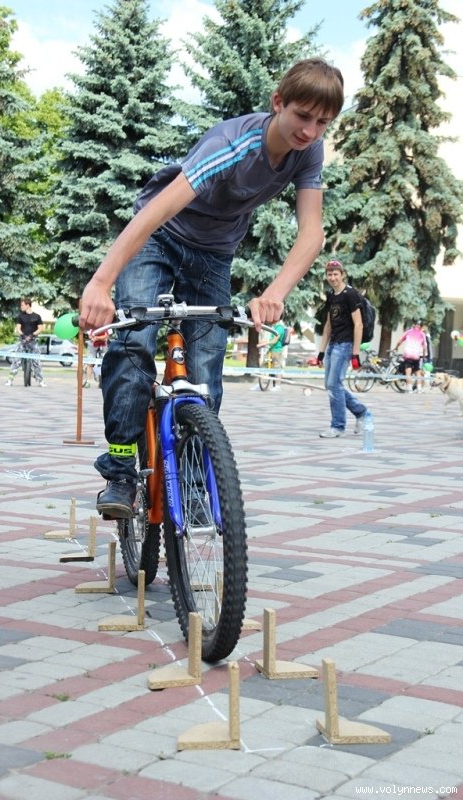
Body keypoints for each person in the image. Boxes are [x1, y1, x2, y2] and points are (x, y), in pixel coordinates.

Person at [79, 58, 345, 518]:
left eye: (323, 122)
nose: (310, 131)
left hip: (214, 254)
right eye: (302, 116)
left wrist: (275, 293)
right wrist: (101, 283)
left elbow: (312, 232)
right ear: (278, 103)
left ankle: (193, 483)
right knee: (134, 342)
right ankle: (121, 471)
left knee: (205, 366)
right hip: (159, 238)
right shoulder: (234, 144)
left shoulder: (309, 151)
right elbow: (157, 212)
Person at [317, 259, 368, 438]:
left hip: (345, 345)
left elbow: (358, 324)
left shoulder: (350, 294)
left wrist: (355, 353)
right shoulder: (332, 295)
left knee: (334, 385)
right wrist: (321, 351)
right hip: (333, 345)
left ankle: (338, 426)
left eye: (335, 274)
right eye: (329, 274)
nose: (332, 277)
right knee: (331, 385)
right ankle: (361, 412)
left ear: (342, 274)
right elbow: (328, 324)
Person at [5, 298, 47, 387]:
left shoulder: (37, 316)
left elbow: (40, 328)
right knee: (16, 361)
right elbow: (18, 328)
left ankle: (41, 381)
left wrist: (32, 335)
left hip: (33, 341)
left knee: (36, 362)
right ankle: (10, 380)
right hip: (23, 341)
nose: (21, 307)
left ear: (28, 305)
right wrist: (23, 335)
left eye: (22, 305)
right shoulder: (20, 316)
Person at [253, 315, 290, 391]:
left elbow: (274, 341)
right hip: (271, 349)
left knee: (277, 368)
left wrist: (263, 344)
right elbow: (271, 340)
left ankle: (278, 386)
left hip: (277, 350)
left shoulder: (279, 327)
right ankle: (260, 385)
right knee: (263, 366)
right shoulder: (274, 327)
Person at [395, 320, 427, 393]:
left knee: (408, 372)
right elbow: (424, 347)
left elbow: (400, 341)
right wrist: (423, 356)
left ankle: (409, 389)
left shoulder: (408, 332)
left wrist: (396, 347)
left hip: (408, 355)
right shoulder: (422, 334)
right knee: (418, 372)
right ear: (421, 326)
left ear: (414, 325)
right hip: (416, 356)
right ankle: (419, 389)